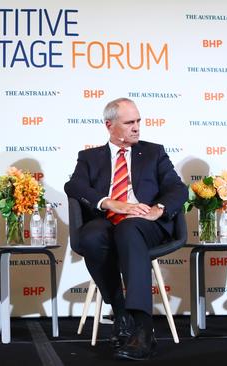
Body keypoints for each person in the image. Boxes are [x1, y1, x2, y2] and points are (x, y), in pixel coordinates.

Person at [64, 97, 187, 360]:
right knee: (92, 235)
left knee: (129, 229)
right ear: (109, 125)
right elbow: (73, 186)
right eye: (129, 122)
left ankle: (143, 329)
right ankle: (120, 311)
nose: (136, 127)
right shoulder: (89, 157)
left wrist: (158, 209)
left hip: (145, 224)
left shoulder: (154, 152)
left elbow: (178, 188)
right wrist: (111, 203)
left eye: (138, 121)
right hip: (108, 219)